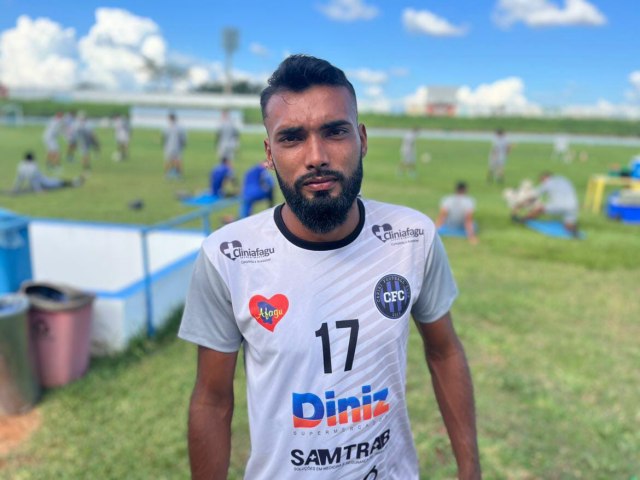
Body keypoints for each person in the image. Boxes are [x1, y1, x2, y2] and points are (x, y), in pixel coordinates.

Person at [178, 55, 480, 480]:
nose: (316, 156)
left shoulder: (412, 237)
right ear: (269, 154)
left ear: (362, 139)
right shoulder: (228, 257)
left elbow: (444, 351)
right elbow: (212, 401)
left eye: (335, 131)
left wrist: (470, 469)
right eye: (292, 138)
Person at [512, 171, 579, 235]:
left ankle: (522, 220)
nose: (541, 183)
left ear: (544, 178)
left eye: (541, 180)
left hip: (559, 205)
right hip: (573, 206)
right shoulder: (563, 179)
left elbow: (532, 198)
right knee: (569, 225)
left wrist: (519, 206)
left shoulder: (547, 183)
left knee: (539, 209)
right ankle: (573, 232)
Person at [12, 152, 83, 193]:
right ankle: (74, 183)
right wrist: (39, 191)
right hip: (45, 183)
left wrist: (16, 188)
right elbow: (34, 180)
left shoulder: (21, 165)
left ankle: (74, 182)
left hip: (42, 181)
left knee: (57, 181)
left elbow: (20, 178)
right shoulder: (33, 166)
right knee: (58, 183)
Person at [163, 112, 187, 179]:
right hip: (177, 146)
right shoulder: (180, 127)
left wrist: (164, 145)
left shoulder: (167, 127)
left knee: (168, 160)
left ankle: (167, 174)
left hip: (169, 146)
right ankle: (179, 175)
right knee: (178, 160)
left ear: (170, 118)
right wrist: (183, 145)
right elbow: (183, 138)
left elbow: (165, 137)